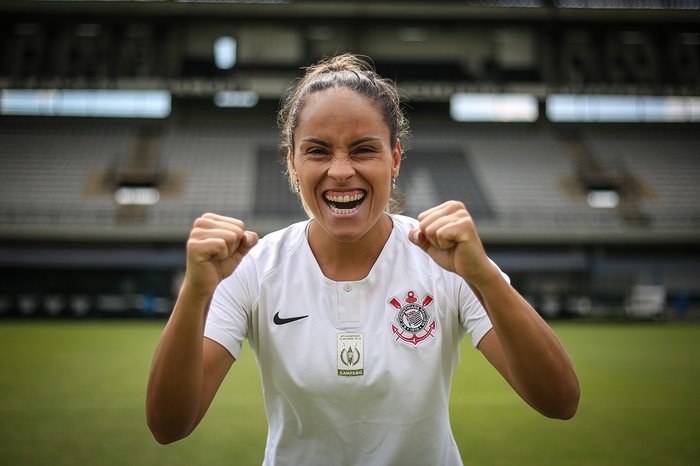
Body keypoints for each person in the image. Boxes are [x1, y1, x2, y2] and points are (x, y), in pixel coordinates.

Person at [146, 53, 580, 465]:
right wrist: (195, 294)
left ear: (394, 159)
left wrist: (483, 276)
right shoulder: (256, 266)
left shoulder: (446, 259)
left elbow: (559, 401)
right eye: (317, 150)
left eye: (363, 150)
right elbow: (168, 426)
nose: (340, 170)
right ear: (293, 163)